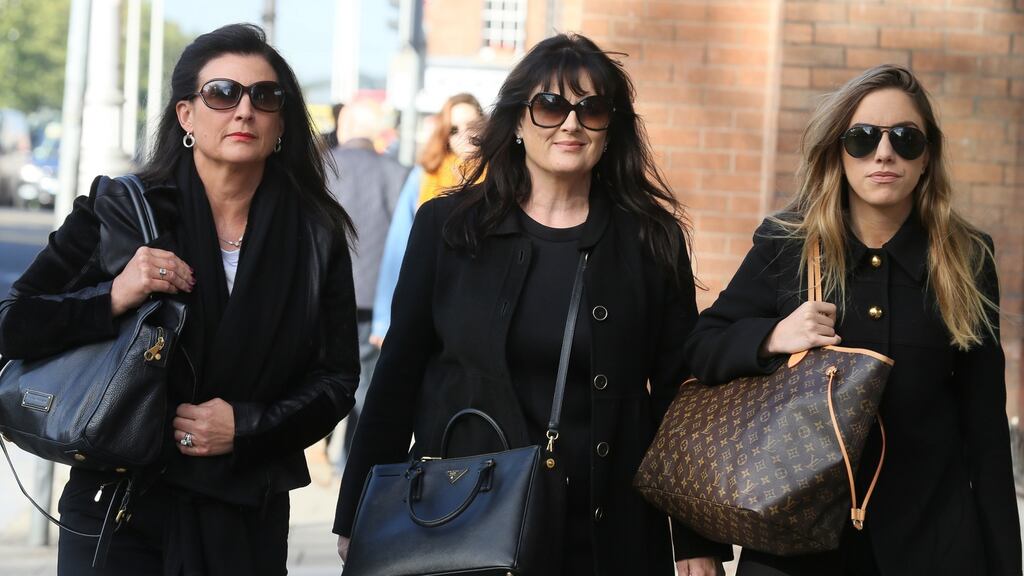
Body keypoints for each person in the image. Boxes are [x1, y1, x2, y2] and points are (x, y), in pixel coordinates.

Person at [334, 33, 730, 576]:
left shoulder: (649, 240)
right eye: (550, 106)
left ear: (610, 129)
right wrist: (358, 511)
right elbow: (397, 376)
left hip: (607, 530)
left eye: (591, 109)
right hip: (467, 525)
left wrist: (692, 538)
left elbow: (676, 392)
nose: (571, 124)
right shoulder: (450, 229)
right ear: (518, 121)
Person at [0, 24, 359, 575]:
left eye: (265, 96)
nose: (245, 111)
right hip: (119, 506)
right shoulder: (121, 211)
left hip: (244, 514)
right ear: (187, 115)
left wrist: (246, 427)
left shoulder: (315, 234)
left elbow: (336, 378)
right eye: (223, 93)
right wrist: (114, 295)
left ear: (282, 122)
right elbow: (13, 322)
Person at [683, 64, 1021, 575]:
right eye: (862, 138)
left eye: (905, 139)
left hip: (931, 547)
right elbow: (701, 348)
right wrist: (773, 336)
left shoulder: (966, 257)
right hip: (795, 549)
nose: (884, 153)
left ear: (927, 158)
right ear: (837, 154)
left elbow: (987, 433)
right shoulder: (788, 244)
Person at [325, 98, 408, 475]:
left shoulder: (321, 167)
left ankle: (321, 446)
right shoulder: (398, 173)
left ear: (344, 127)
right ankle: (352, 463)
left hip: (326, 294)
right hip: (376, 298)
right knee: (365, 384)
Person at [368, 94, 481, 346]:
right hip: (429, 298)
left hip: (480, 305)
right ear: (444, 134)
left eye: (472, 125)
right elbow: (399, 247)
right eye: (454, 129)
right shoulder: (424, 176)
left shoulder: (502, 177)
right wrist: (384, 321)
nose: (464, 135)